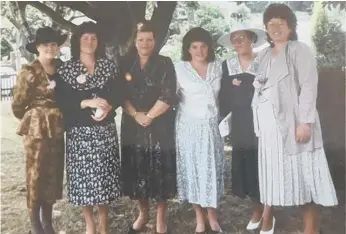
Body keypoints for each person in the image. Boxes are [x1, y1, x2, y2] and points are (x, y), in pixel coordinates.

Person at [251, 3, 338, 234]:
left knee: (305, 179)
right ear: (266, 28)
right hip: (270, 131)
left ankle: (311, 230)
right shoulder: (264, 55)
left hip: (294, 126)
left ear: (291, 27)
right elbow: (258, 89)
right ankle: (269, 221)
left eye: (281, 23)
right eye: (271, 24)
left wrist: (304, 122)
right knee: (281, 181)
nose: (276, 28)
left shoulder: (300, 49)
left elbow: (309, 86)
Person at [54, 22, 123, 234]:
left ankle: (104, 225)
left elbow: (120, 93)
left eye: (93, 38)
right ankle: (90, 225)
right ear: (78, 41)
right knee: (84, 180)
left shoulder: (108, 66)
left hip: (105, 132)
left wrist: (110, 104)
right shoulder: (66, 70)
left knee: (104, 177)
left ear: (98, 42)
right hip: (79, 133)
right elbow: (62, 102)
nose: (90, 42)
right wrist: (86, 103)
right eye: (85, 38)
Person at [120, 20, 177, 234]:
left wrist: (150, 116)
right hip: (133, 123)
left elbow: (168, 94)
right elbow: (121, 95)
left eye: (149, 39)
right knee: (136, 169)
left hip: (159, 123)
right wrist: (136, 114)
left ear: (155, 41)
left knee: (160, 170)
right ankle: (143, 213)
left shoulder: (165, 63)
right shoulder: (125, 64)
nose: (145, 43)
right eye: (140, 39)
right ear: (134, 41)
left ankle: (160, 217)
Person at [12, 27, 67, 234]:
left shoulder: (62, 68)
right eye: (46, 45)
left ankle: (48, 222)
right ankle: (35, 224)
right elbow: (18, 105)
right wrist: (36, 117)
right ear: (37, 48)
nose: (50, 48)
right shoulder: (29, 72)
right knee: (36, 174)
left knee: (53, 172)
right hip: (36, 129)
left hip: (57, 128)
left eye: (53, 44)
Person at [218, 23, 267, 231]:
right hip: (240, 123)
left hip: (263, 121)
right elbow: (224, 97)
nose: (238, 43)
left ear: (252, 40)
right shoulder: (227, 65)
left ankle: (266, 212)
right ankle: (256, 209)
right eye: (234, 39)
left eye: (242, 38)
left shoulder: (264, 62)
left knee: (263, 165)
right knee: (246, 167)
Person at [175, 27, 224, 234]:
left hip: (212, 126)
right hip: (188, 126)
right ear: (188, 49)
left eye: (203, 46)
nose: (199, 50)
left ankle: (212, 215)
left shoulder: (218, 68)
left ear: (209, 48)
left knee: (211, 169)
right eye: (194, 46)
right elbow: (171, 96)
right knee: (193, 169)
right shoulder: (179, 68)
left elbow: (224, 96)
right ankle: (199, 217)